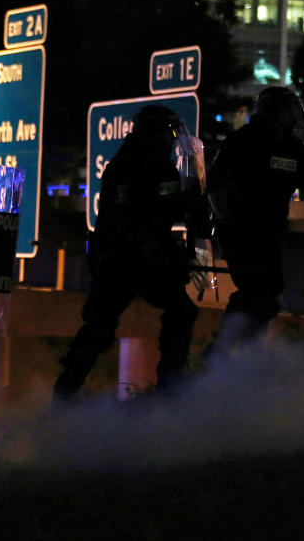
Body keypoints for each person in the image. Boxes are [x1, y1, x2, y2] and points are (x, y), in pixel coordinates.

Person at [53, 106, 199, 401]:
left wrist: (190, 201)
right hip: (120, 260)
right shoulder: (126, 166)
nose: (172, 140)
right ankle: (64, 397)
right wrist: (159, 250)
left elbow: (165, 209)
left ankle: (171, 389)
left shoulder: (162, 166)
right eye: (167, 133)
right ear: (152, 133)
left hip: (147, 258)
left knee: (181, 311)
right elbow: (129, 219)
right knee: (98, 328)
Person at [206, 86, 304, 353]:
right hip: (242, 232)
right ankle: (223, 351)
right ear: (278, 112)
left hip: (268, 234)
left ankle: (244, 353)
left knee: (268, 293)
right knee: (256, 288)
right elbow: (214, 185)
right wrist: (227, 221)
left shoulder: (295, 149)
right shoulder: (242, 141)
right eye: (290, 110)